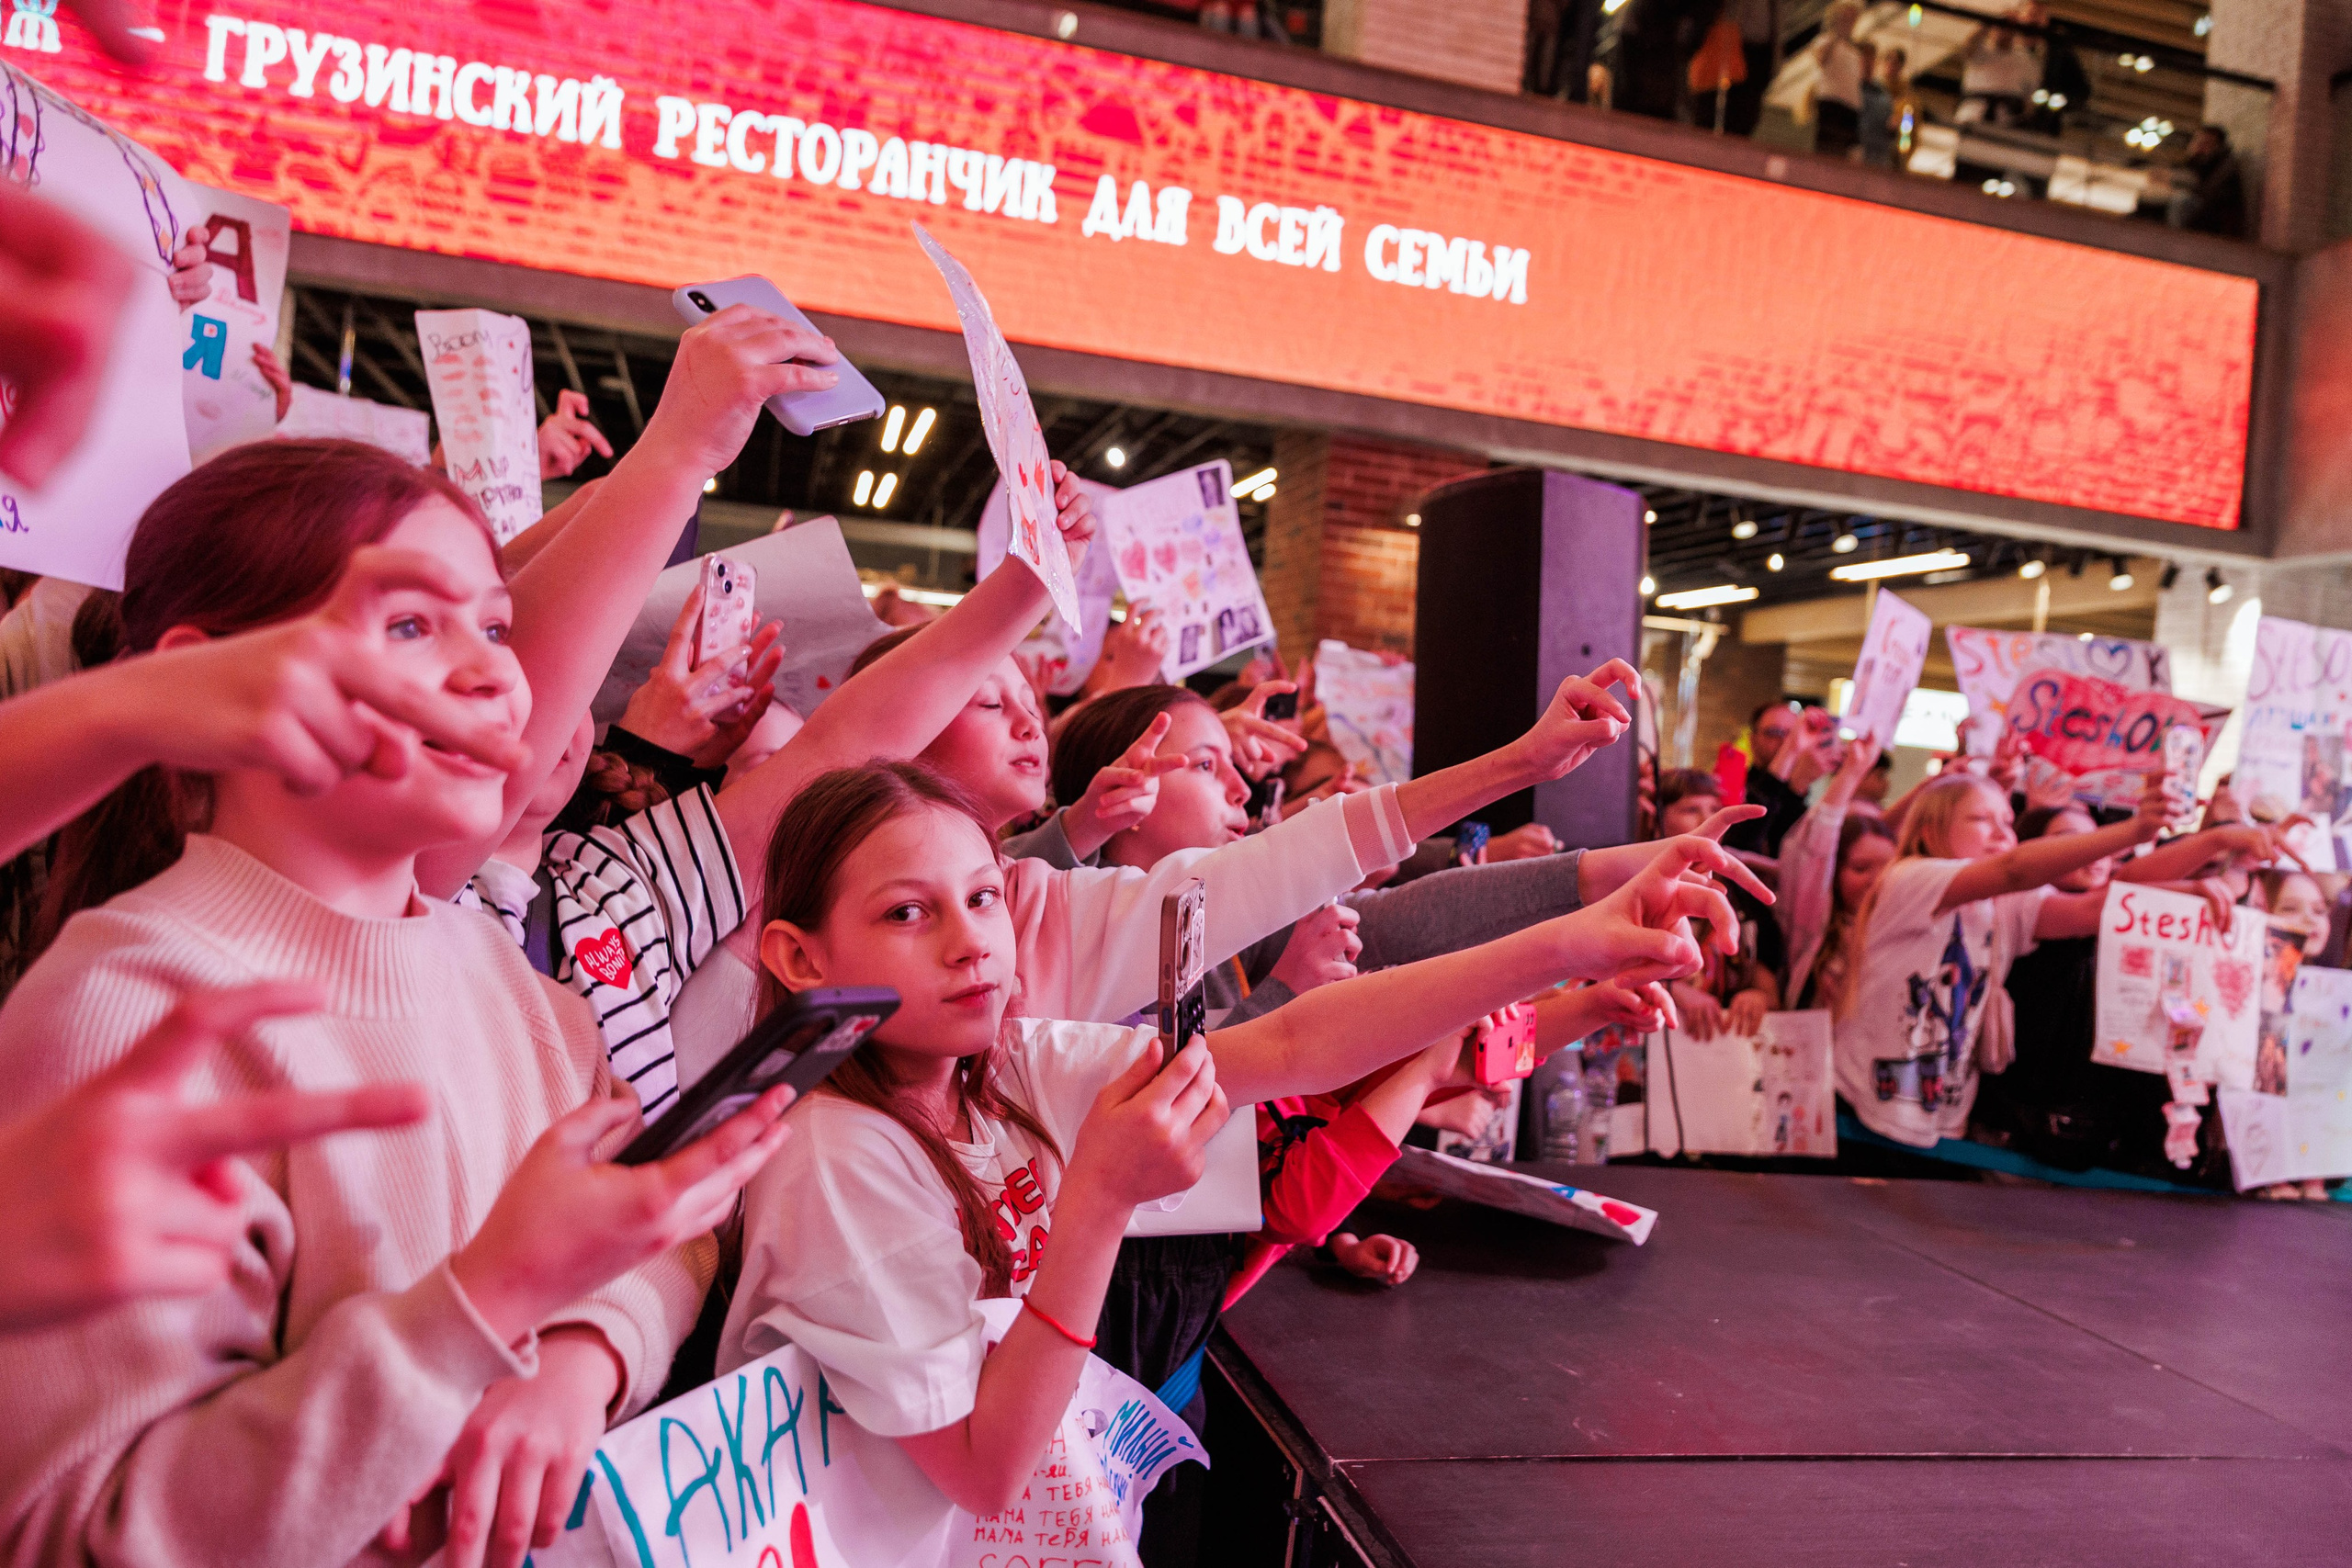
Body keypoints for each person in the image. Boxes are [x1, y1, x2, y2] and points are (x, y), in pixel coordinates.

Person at [0, 438, 797, 1568]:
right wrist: (484, 1304)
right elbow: (76, 1533)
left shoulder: (515, 985)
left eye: (496, 628)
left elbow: (658, 1240)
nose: (493, 677)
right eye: (411, 625)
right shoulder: (130, 1012)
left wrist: (587, 1352)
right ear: (197, 681)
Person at [718, 761, 1741, 1545]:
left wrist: (1571, 943)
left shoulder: (1003, 1064)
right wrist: (1100, 1201)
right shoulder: (837, 1155)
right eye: (909, 912)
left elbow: (1290, 1046)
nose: (970, 941)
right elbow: (986, 1470)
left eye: (984, 897)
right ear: (801, 957)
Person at [1834, 769, 2176, 1149]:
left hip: (1941, 1117)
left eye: (2008, 822)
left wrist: (2202, 875)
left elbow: (2095, 908)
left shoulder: (2002, 902)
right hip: (1860, 1110)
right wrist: (2132, 831)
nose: (2002, 834)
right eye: (1981, 819)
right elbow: (2012, 870)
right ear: (1930, 832)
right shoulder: (1910, 876)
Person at [1777, 737, 1897, 1010]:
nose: (1876, 881)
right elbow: (1816, 849)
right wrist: (1852, 772)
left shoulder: (1902, 927)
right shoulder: (1814, 927)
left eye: (1888, 868)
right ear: (1833, 873)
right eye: (1861, 868)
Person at [1725, 701, 1826, 856]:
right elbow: (1740, 846)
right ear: (1753, 740)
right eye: (1775, 732)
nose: (1786, 741)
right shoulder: (1734, 787)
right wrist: (1789, 752)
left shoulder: (1801, 788)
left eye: (1792, 733)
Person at [1810, 1, 1873, 161]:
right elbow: (1821, 59)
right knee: (1828, 150)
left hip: (1851, 107)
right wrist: (1837, 35)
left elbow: (1861, 79)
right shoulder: (1825, 41)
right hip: (1831, 102)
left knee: (1849, 153)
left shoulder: (1855, 51)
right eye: (1846, 17)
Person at [2168, 125, 2247, 239]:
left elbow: (2203, 188)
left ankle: (2176, 239)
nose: (2199, 146)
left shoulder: (2222, 164)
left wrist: (2171, 178)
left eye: (2206, 143)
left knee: (2181, 201)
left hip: (2214, 217)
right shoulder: (2198, 161)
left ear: (2217, 147)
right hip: (2204, 210)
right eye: (2197, 141)